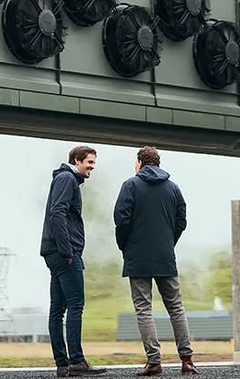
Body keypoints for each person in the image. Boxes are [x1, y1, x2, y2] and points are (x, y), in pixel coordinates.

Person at [113, 146, 198, 376]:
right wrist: (168, 243)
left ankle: (154, 361)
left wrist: (125, 246)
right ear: (158, 163)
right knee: (176, 307)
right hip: (165, 256)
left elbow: (121, 220)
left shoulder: (130, 185)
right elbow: (182, 220)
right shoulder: (173, 188)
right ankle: (187, 360)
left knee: (144, 308)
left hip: (138, 256)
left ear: (140, 162)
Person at [40, 145, 107, 377]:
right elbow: (57, 212)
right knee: (75, 306)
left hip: (53, 252)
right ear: (77, 160)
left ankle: (63, 364)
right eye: (90, 162)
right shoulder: (67, 178)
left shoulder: (64, 178)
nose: (92, 167)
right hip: (63, 253)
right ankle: (76, 361)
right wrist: (69, 251)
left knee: (57, 309)